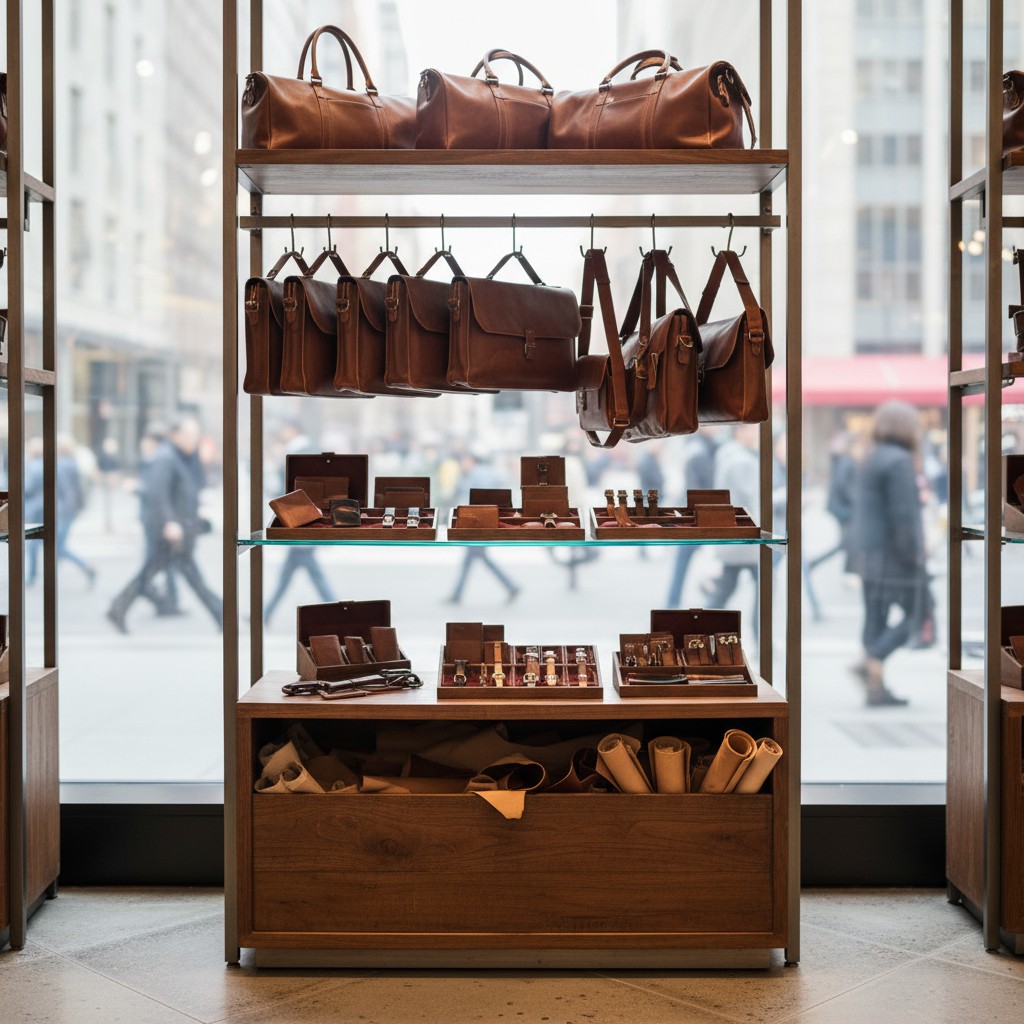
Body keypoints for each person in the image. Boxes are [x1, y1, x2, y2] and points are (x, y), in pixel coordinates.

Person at [106, 416, 222, 633]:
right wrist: (170, 523)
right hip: (170, 530)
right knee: (176, 573)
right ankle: (223, 615)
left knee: (171, 572)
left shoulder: (180, 457)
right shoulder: (166, 457)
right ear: (176, 435)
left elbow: (186, 490)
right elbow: (157, 494)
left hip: (179, 528)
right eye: (190, 436)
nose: (194, 440)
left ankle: (118, 608)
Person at [847, 400, 926, 708]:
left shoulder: (870, 457)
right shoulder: (899, 461)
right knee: (919, 613)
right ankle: (871, 661)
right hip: (894, 556)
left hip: (868, 554)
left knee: (874, 618)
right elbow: (904, 514)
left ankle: (875, 687)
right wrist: (915, 553)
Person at [264, 422, 336, 624]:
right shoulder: (301, 450)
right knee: (300, 574)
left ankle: (264, 614)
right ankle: (264, 614)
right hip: (301, 521)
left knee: (302, 573)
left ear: (293, 430)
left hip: (302, 521)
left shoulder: (301, 452)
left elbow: (296, 487)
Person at [704, 424, 761, 630]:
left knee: (726, 587)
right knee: (765, 587)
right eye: (752, 429)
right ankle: (762, 637)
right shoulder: (742, 461)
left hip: (733, 535)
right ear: (740, 432)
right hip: (745, 538)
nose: (756, 434)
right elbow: (754, 499)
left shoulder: (727, 455)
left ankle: (702, 629)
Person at [445, 452, 520, 605]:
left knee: (476, 557)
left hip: (478, 524)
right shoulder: (470, 475)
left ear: (471, 461)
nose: (461, 464)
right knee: (475, 558)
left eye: (463, 461)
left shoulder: (481, 475)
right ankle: (510, 586)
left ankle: (510, 586)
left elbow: (483, 500)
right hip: (473, 523)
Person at [26, 435, 96, 588]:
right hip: (65, 510)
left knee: (56, 546)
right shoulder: (69, 462)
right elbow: (76, 489)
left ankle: (86, 568)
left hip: (61, 510)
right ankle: (50, 577)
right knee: (54, 545)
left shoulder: (61, 464)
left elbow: (63, 490)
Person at [665, 431, 718, 606]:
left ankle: (673, 601)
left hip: (693, 517)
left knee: (684, 562)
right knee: (696, 559)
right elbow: (698, 489)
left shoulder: (696, 447)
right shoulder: (699, 451)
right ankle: (675, 600)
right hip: (697, 518)